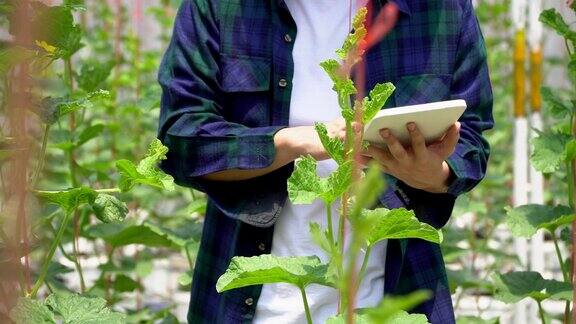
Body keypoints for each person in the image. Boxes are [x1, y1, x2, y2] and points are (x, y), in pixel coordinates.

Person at [156, 0, 493, 323]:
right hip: (258, 308)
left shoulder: (441, 9)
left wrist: (433, 173)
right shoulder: (221, 6)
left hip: (391, 302)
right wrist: (299, 142)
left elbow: (472, 142)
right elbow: (181, 138)